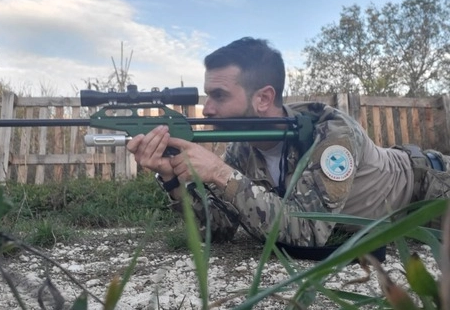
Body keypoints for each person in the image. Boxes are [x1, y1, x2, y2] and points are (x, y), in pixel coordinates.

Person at [127, 37, 450, 249]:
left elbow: (308, 234)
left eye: (219, 96)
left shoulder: (332, 133)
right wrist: (171, 179)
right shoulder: (243, 148)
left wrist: (221, 174)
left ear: (264, 98)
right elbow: (219, 231)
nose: (207, 108)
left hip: (433, 191)